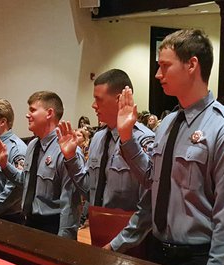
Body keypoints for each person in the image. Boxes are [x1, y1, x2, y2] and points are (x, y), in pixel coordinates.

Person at [115, 29, 224, 265]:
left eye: (165, 66)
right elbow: (153, 182)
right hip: (158, 252)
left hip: (199, 260)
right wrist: (126, 138)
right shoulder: (167, 123)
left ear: (192, 65)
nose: (158, 75)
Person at [56, 69, 154, 252]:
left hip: (132, 243)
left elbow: (148, 205)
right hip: (99, 234)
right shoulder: (99, 139)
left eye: (98, 99)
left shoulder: (142, 140)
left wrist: (117, 244)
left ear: (119, 99)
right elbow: (90, 190)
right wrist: (70, 158)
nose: (93, 105)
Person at [0, 91, 80, 238]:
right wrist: (4, 165)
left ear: (49, 113)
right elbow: (26, 182)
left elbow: (70, 204)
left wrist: (64, 242)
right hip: (28, 223)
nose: (28, 115)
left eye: (32, 110)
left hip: (52, 229)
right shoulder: (33, 145)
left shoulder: (66, 149)